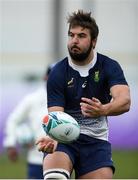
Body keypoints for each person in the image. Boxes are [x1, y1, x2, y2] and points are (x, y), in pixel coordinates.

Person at [36, 10, 131, 179]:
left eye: (81, 36)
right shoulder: (58, 72)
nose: (74, 40)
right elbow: (56, 115)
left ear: (94, 41)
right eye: (71, 35)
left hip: (96, 141)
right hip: (64, 139)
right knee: (54, 177)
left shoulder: (109, 66)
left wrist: (103, 109)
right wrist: (54, 138)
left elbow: (124, 101)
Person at [3, 64, 54, 179]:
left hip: (60, 161)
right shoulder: (32, 99)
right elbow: (13, 120)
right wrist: (10, 143)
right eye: (53, 75)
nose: (56, 79)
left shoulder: (69, 100)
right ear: (45, 77)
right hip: (36, 161)